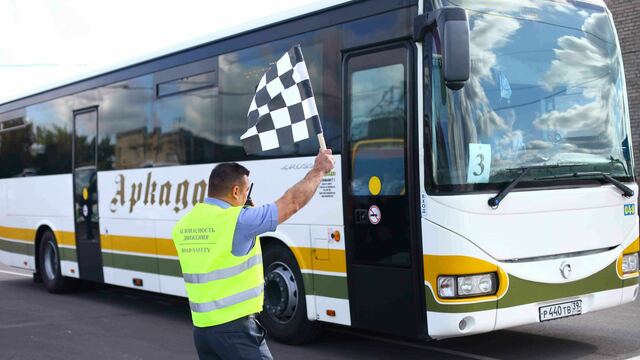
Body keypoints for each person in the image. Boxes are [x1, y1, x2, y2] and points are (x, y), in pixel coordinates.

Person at [172, 149, 335, 360]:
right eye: (246, 190)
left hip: (202, 331)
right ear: (236, 191)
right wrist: (319, 170)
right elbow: (291, 202)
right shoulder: (238, 221)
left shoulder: (185, 224)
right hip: (236, 331)